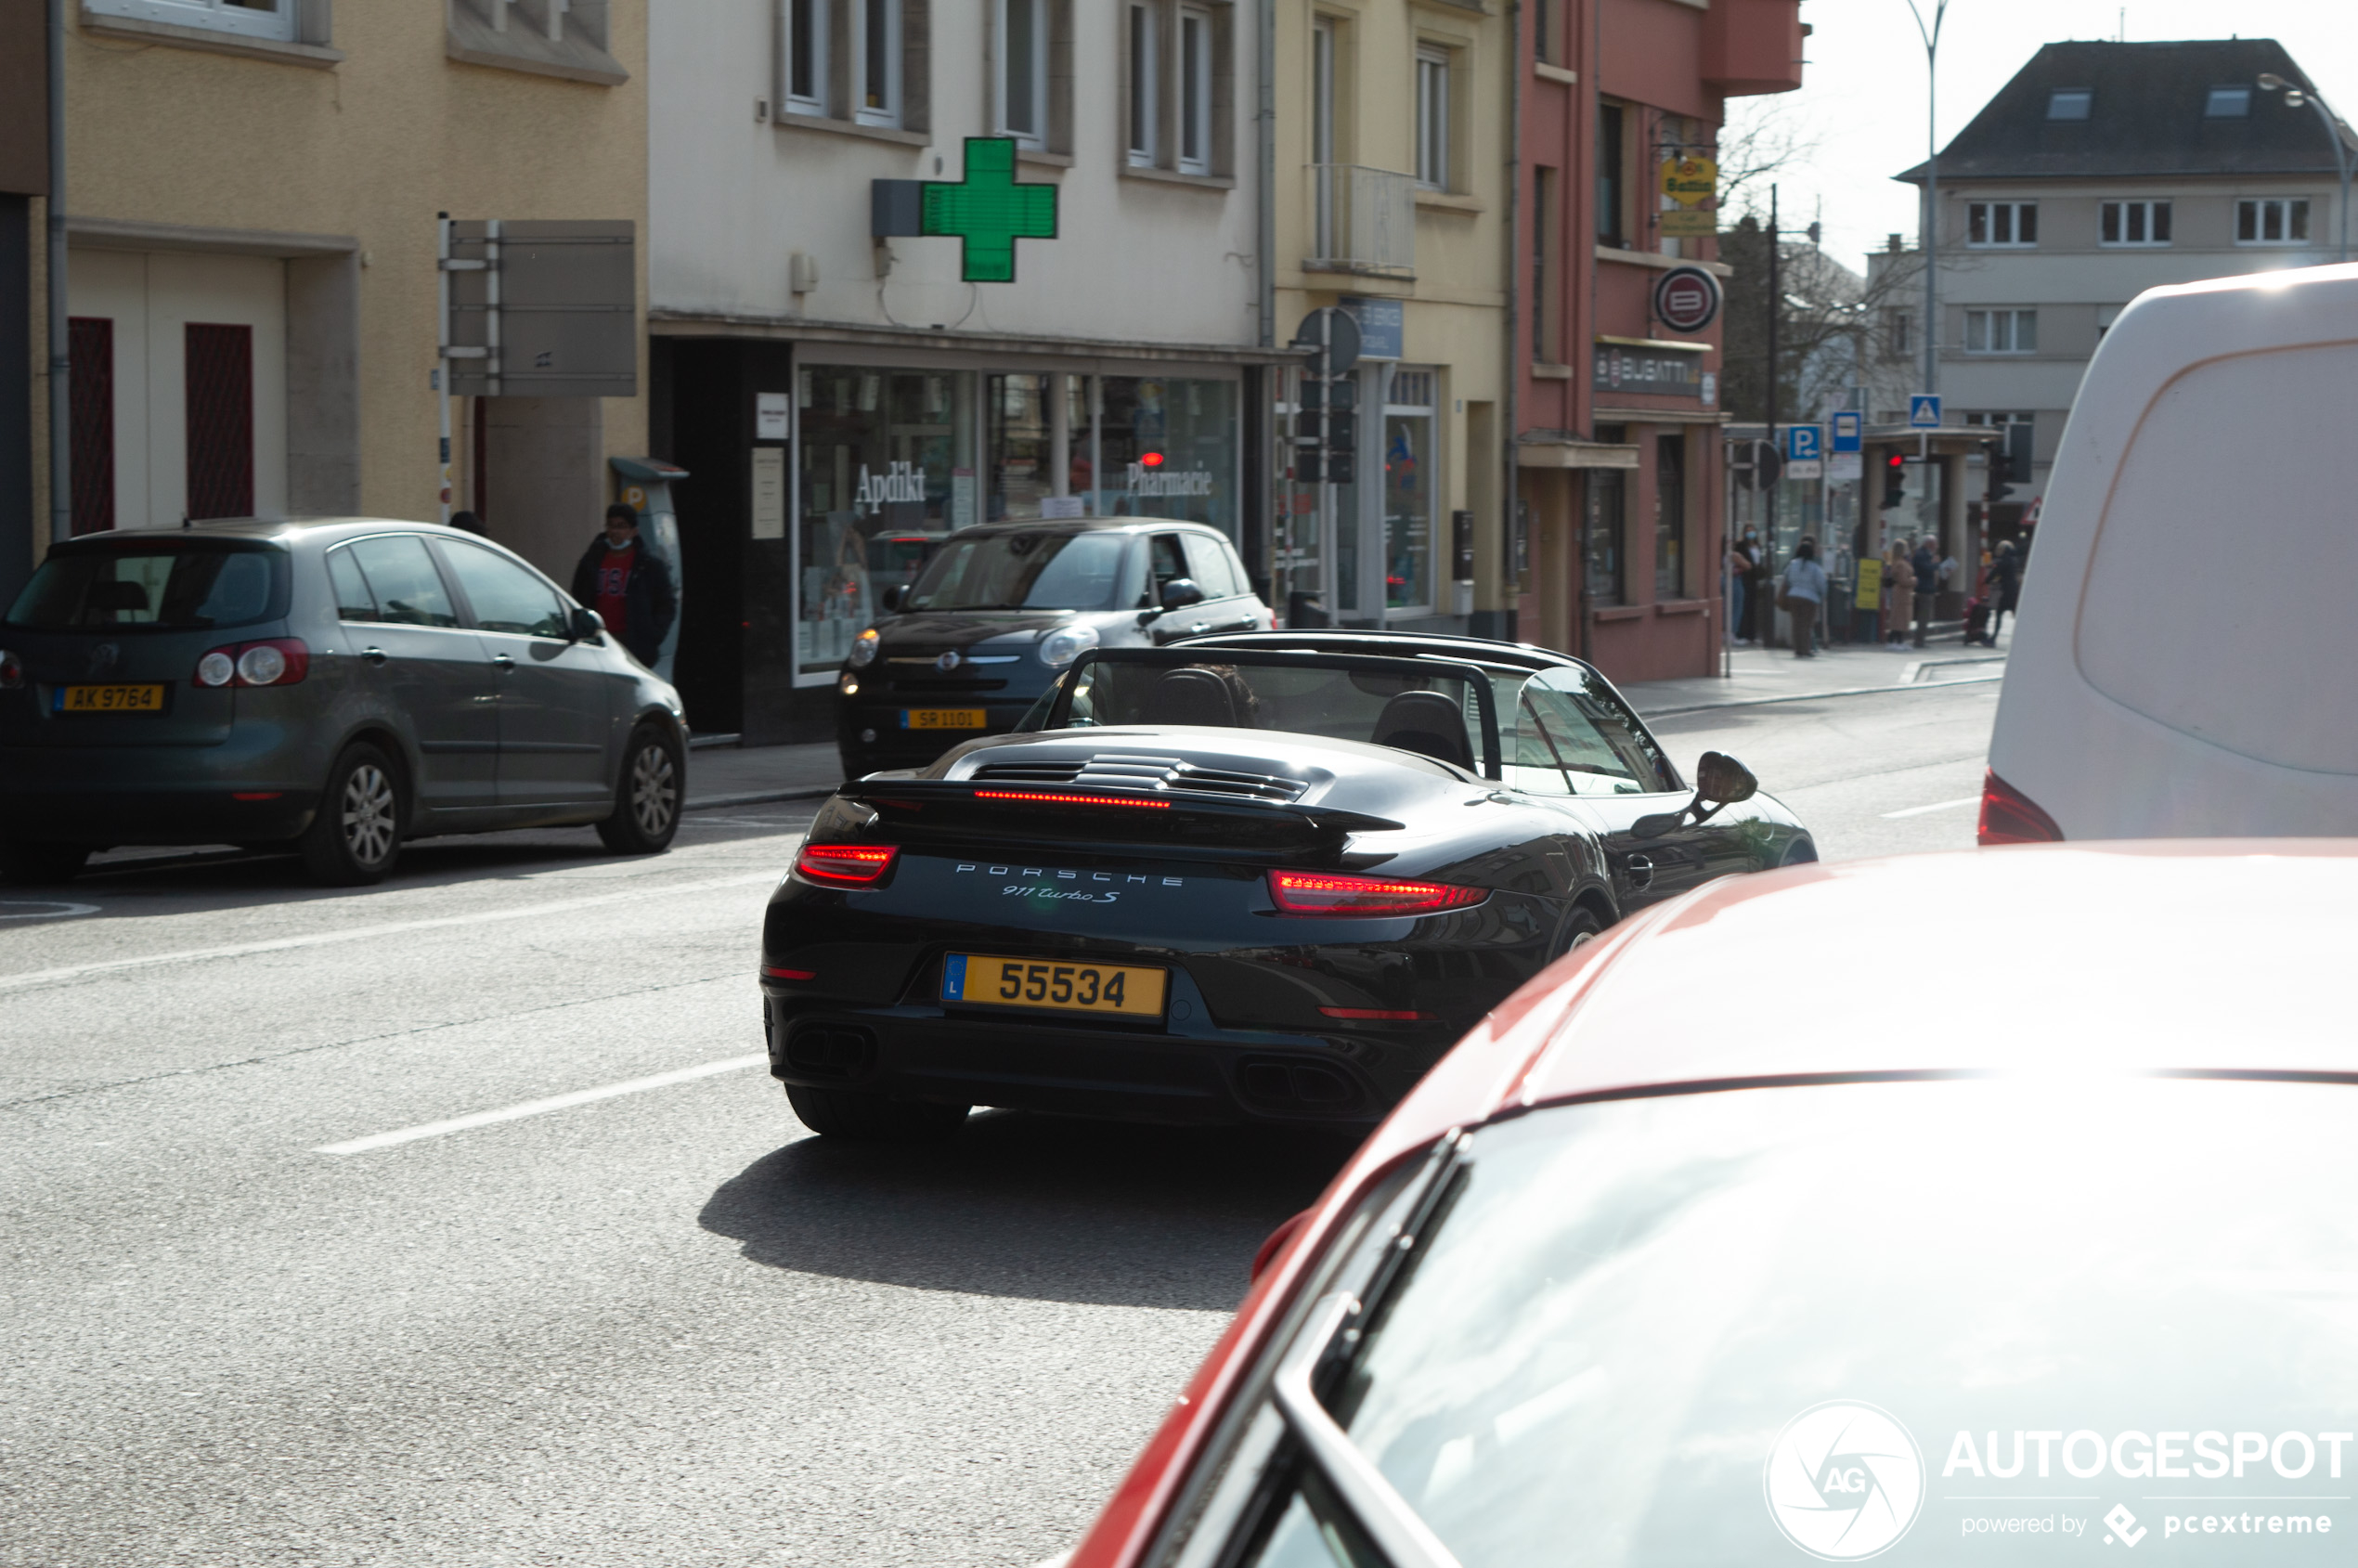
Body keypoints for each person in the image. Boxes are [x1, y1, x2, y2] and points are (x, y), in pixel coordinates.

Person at [571, 503, 677, 667]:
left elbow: (666, 604)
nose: (615, 532)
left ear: (633, 531)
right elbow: (578, 593)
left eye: (621, 526)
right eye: (611, 526)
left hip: (632, 641)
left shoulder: (648, 565)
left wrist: (653, 634)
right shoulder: (591, 560)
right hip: (598, 637)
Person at [1781, 536, 1828, 658]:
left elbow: (1787, 578)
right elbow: (1821, 584)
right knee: (1807, 625)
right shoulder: (1815, 567)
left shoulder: (1792, 564)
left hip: (1794, 596)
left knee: (1796, 624)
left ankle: (1797, 649)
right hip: (1810, 598)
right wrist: (1823, 595)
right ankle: (1806, 649)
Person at [1985, 539, 2022, 646]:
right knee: (2016, 615)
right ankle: (2022, 638)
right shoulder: (2014, 560)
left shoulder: (2005, 560)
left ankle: (1993, 639)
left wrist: (1987, 580)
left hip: (2007, 592)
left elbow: (1996, 572)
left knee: (1999, 613)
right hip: (2014, 591)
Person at [1727, 529, 1761, 645]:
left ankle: (1727, 633)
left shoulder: (1723, 554)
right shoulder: (1734, 554)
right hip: (1735, 581)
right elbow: (1748, 566)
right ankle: (1732, 634)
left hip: (1725, 581)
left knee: (1727, 608)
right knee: (1737, 608)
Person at [1882, 541, 1914, 647]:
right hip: (1902, 595)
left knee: (1901, 619)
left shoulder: (1898, 562)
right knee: (1899, 620)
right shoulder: (1901, 564)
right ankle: (1894, 642)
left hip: (1902, 594)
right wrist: (1914, 580)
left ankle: (1899, 641)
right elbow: (1903, 580)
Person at [1911, 535, 1939, 648]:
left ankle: (1921, 639)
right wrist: (1936, 563)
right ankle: (1919, 641)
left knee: (1926, 617)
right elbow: (1927, 569)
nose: (1936, 547)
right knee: (1923, 617)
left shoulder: (1926, 554)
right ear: (1929, 544)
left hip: (1928, 588)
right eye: (1935, 544)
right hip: (1923, 589)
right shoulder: (1921, 554)